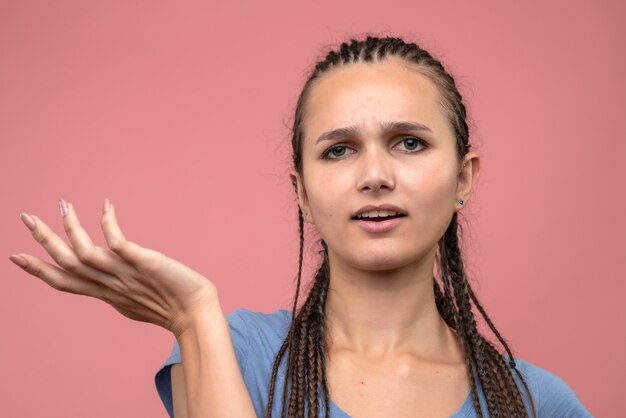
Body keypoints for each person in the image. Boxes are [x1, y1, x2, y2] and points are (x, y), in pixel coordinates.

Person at [9, 35, 592, 418]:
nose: (375, 175)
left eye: (408, 143)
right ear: (302, 194)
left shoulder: (538, 402)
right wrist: (193, 316)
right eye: (339, 150)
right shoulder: (233, 351)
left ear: (464, 178)